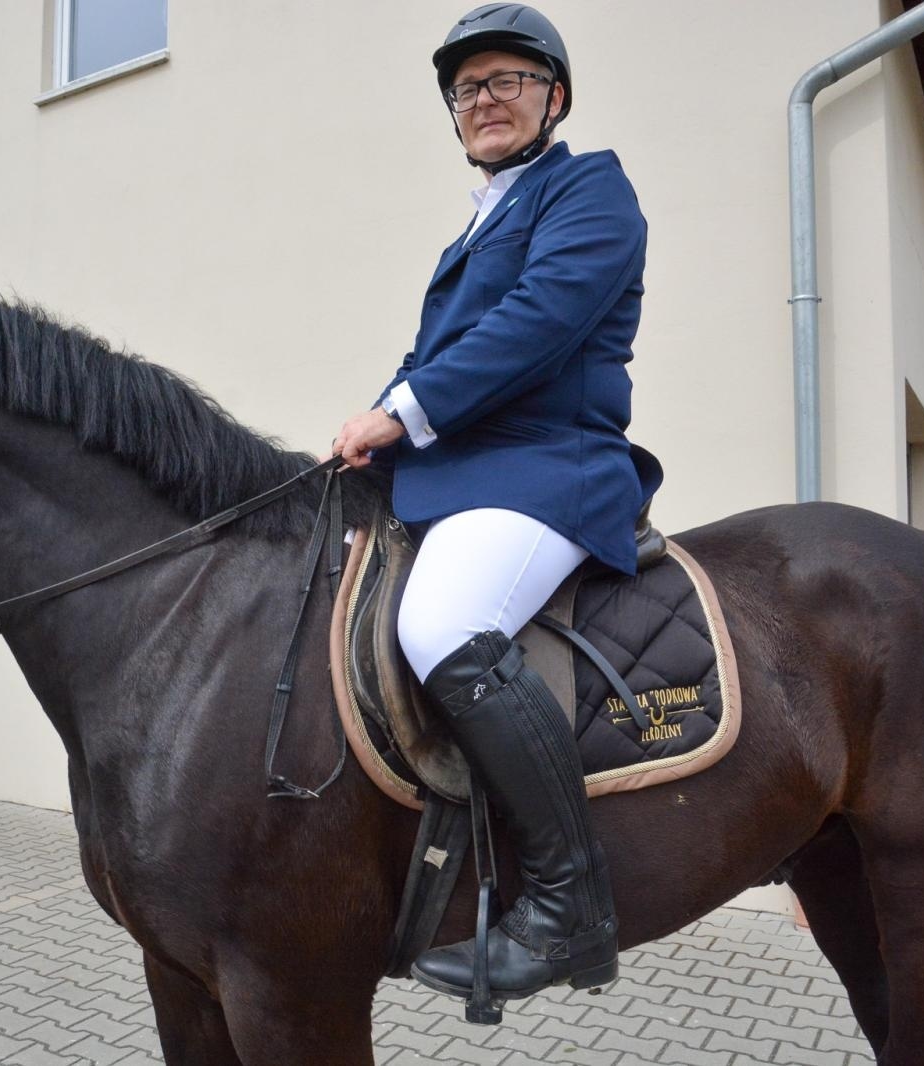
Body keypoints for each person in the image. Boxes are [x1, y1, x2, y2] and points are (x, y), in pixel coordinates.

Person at [329, 4, 659, 1004]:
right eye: (467, 89)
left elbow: (537, 324)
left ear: (552, 97)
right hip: (466, 472)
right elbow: (430, 358)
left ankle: (568, 906)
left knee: (441, 621)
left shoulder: (590, 190)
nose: (484, 101)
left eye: (507, 80)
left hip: (546, 469)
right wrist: (369, 421)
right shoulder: (480, 220)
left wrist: (405, 410)